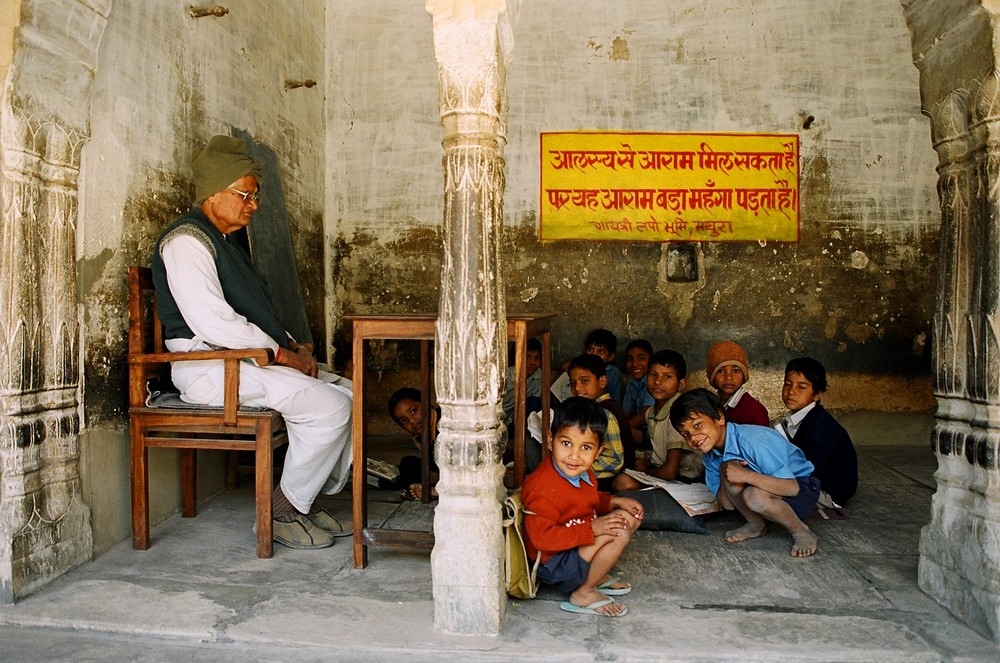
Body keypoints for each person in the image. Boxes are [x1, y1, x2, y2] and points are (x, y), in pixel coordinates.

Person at [151, 135, 353, 550]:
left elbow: (256, 312)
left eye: (255, 196)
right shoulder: (186, 242)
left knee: (349, 391)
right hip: (209, 369)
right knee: (329, 407)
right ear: (213, 192)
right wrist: (280, 355)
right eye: (245, 194)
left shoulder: (226, 246)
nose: (254, 205)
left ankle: (303, 498)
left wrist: (294, 347)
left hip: (240, 361)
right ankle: (282, 510)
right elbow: (214, 322)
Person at [522, 397, 644, 618]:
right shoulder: (542, 487)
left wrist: (614, 501)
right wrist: (593, 530)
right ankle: (584, 591)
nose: (574, 456)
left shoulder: (582, 473)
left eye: (586, 447)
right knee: (618, 531)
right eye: (566, 443)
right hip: (553, 565)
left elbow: (584, 499)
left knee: (630, 517)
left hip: (573, 548)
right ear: (550, 440)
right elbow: (542, 540)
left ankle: (594, 575)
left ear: (598, 451)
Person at [670, 388, 819, 557]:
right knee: (734, 475)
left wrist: (745, 476)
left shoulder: (753, 440)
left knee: (753, 496)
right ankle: (756, 525)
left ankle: (801, 531)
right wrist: (724, 470)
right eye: (685, 434)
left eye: (697, 425)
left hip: (802, 486)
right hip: (768, 491)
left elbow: (792, 488)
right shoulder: (710, 457)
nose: (693, 437)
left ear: (719, 417)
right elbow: (727, 504)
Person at [613, 349, 701, 492]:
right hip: (663, 472)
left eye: (667, 377)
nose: (658, 381)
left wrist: (644, 471)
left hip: (683, 480)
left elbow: (670, 472)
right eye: (653, 375)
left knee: (623, 483)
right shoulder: (652, 412)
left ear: (681, 384)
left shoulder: (678, 415)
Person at [777, 357, 858, 507]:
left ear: (817, 394)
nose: (791, 392)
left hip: (829, 493)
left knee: (759, 490)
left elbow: (808, 471)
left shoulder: (819, 427)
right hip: (813, 479)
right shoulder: (799, 418)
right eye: (788, 384)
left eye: (801, 387)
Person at [566, 354, 631, 491]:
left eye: (584, 381)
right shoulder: (593, 409)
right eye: (573, 383)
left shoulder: (605, 413)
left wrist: (582, 466)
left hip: (610, 480)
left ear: (602, 382)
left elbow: (615, 461)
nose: (577, 388)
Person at [387, 387, 440, 501]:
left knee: (406, 476)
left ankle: (436, 490)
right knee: (407, 464)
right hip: (440, 470)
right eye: (404, 421)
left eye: (413, 411)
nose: (412, 420)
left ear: (425, 402)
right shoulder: (420, 437)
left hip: (460, 470)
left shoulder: (444, 424)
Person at [705, 340, 769, 426]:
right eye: (721, 371)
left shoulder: (755, 412)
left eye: (736, 371)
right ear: (712, 377)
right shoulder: (709, 406)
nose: (728, 377)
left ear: (744, 375)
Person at [502, 337, 543, 425]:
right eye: (528, 357)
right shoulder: (506, 376)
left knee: (534, 401)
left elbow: (533, 403)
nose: (533, 362)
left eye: (537, 358)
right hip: (497, 419)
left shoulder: (538, 376)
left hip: (513, 421)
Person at [621, 339, 655, 446]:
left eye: (641, 358)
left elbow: (644, 416)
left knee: (621, 433)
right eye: (630, 359)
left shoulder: (653, 382)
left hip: (654, 433)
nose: (635, 364)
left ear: (650, 361)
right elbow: (625, 414)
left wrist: (621, 427)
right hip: (640, 430)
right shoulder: (632, 384)